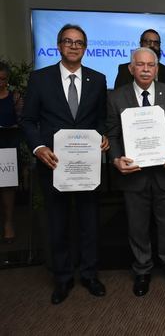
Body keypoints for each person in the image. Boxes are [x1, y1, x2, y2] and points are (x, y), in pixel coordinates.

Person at [20, 24, 108, 304]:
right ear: (59, 46)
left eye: (79, 43)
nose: (73, 46)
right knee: (57, 223)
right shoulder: (40, 79)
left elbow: (101, 120)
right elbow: (27, 120)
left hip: (87, 167)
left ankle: (90, 274)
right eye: (68, 42)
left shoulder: (98, 79)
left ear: (85, 48)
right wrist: (38, 147)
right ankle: (62, 278)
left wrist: (104, 137)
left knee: (89, 222)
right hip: (54, 164)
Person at [106, 47, 165, 297]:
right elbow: (113, 134)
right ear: (131, 68)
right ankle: (142, 270)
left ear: (157, 68)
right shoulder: (116, 97)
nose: (146, 69)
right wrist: (115, 158)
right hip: (133, 174)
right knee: (137, 227)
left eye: (151, 64)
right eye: (140, 65)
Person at [0, 62, 23, 243]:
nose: (0, 82)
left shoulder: (14, 97)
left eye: (3, 79)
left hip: (8, 148)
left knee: (8, 187)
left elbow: (24, 121)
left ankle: (9, 223)